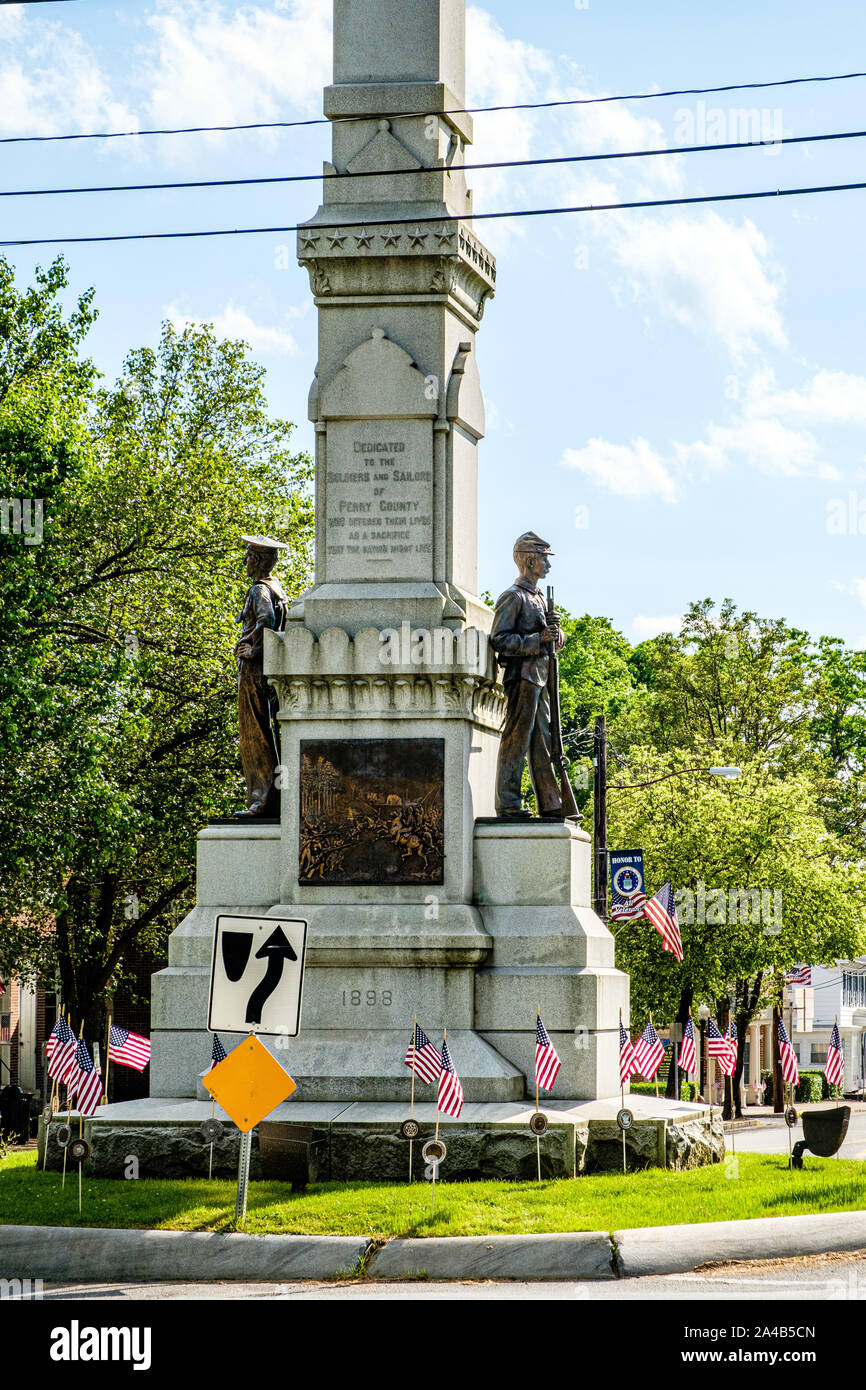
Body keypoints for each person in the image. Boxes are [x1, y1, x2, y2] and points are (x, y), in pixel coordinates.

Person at [490, 531, 565, 818]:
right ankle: (508, 803)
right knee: (517, 740)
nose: (548, 565)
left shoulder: (539, 600)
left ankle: (550, 802)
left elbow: (552, 641)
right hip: (522, 677)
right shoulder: (513, 597)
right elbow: (500, 639)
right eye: (544, 559)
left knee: (542, 743)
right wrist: (538, 640)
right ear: (530, 560)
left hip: (541, 677)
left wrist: (557, 635)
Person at [234, 534, 289, 818]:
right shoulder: (278, 588)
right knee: (268, 733)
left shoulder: (259, 590)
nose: (245, 562)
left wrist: (250, 649)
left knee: (254, 734)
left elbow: (266, 620)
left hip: (255, 671)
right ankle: (271, 798)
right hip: (269, 670)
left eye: (247, 557)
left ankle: (261, 800)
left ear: (255, 560)